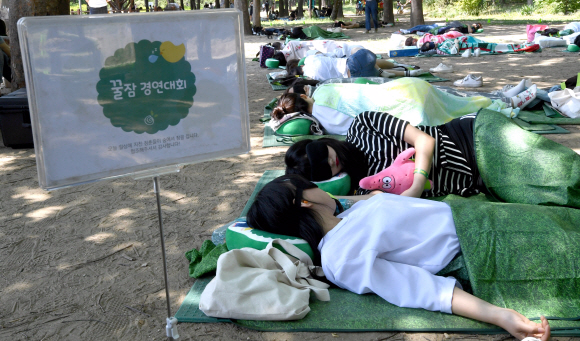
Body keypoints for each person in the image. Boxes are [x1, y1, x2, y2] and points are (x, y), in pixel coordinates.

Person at [245, 174, 553, 341]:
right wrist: (499, 315)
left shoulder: (353, 213)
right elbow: (417, 288)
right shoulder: (340, 256)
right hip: (482, 246)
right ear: (304, 202)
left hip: (479, 216)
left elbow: (373, 199)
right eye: (308, 184)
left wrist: (334, 202)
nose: (318, 185)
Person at [271, 77, 490, 135]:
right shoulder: (326, 90)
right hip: (405, 91)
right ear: (304, 94)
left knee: (460, 112)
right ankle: (501, 100)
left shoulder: (325, 123)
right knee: (458, 101)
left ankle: (500, 103)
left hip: (408, 109)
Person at [285, 47, 425, 82]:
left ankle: (407, 73)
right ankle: (385, 69)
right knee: (356, 50)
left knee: (373, 69)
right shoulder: (309, 59)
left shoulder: (312, 80)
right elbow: (321, 54)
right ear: (301, 66)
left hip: (355, 78)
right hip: (353, 63)